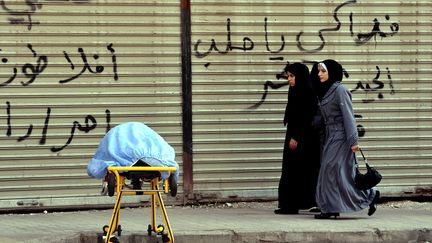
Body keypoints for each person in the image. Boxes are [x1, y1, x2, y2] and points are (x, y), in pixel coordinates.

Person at [314, 59, 380, 219]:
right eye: (319, 71)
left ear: (332, 73)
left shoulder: (340, 90)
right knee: (335, 173)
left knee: (331, 170)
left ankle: (364, 197)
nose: (319, 74)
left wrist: (353, 141)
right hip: (331, 137)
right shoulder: (326, 91)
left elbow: (348, 117)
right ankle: (333, 207)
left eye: (323, 71)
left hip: (342, 138)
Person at [274, 62, 321, 214]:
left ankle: (292, 205)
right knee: (292, 169)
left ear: (300, 76)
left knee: (295, 170)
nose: (289, 79)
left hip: (303, 138)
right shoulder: (294, 91)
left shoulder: (308, 92)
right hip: (295, 134)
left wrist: (296, 137)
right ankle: (293, 204)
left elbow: (306, 117)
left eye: (292, 76)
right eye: (288, 76)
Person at [87, 122, 180, 190]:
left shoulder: (119, 138)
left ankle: (136, 178)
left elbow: (104, 156)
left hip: (130, 158)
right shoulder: (152, 146)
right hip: (154, 158)